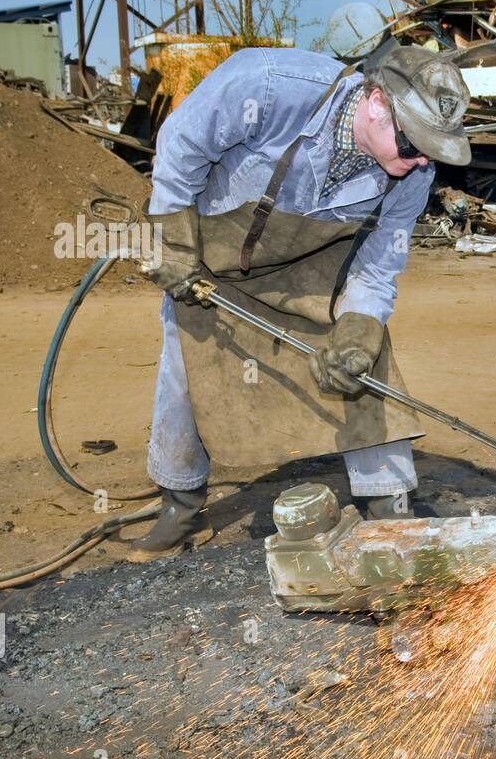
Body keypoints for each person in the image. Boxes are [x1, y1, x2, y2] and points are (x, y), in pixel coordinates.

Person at [127, 43, 471, 562]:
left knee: (367, 357)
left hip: (311, 271)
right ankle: (180, 503)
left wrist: (358, 330)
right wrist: (174, 245)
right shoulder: (267, 85)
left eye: (432, 149)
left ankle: (388, 502)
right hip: (214, 258)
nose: (423, 158)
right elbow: (180, 144)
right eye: (415, 142)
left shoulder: (413, 175)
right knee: (185, 357)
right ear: (377, 102)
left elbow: (379, 263)